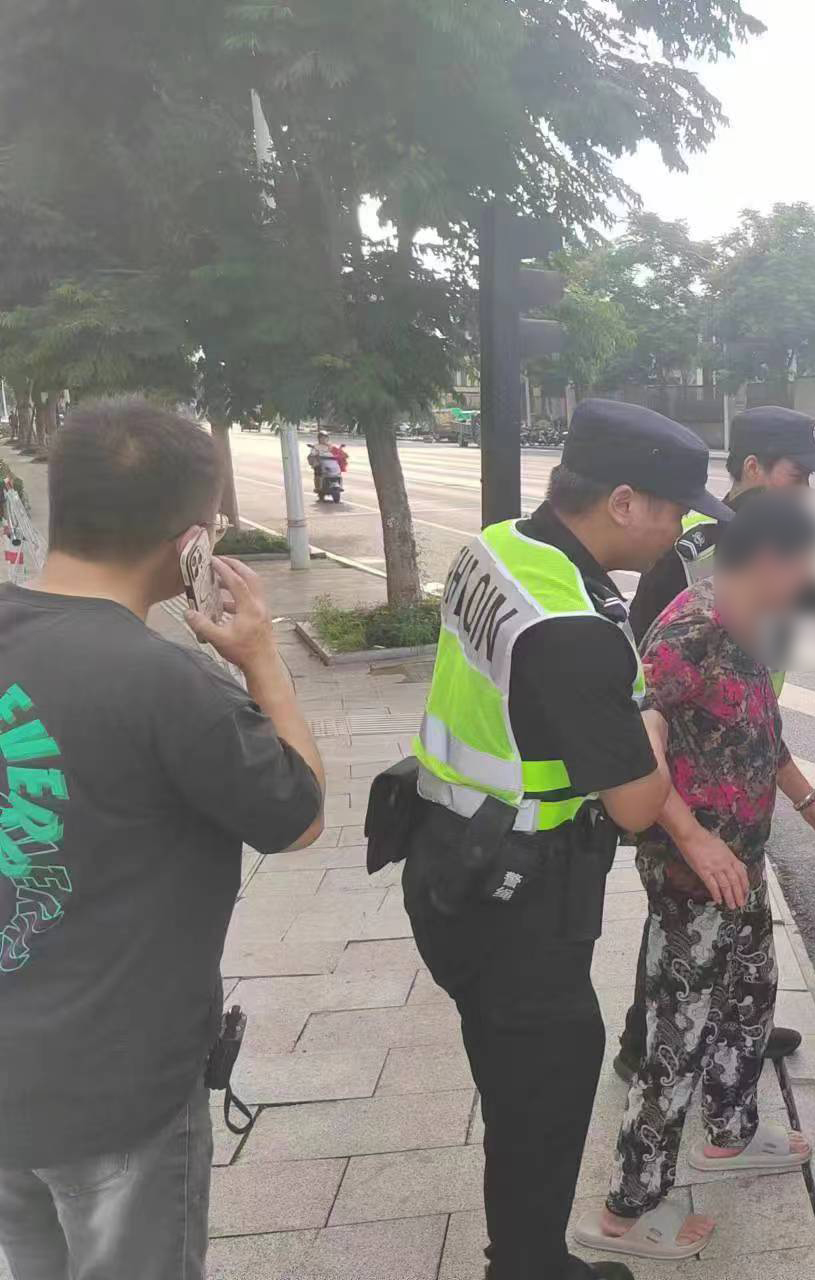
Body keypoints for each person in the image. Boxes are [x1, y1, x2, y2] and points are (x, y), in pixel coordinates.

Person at [402, 399, 733, 1280]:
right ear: (622, 502)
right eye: (674, 509)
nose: (680, 530)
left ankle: (521, 1253)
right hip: (518, 897)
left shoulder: (501, 547)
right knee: (546, 1087)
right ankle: (525, 1266)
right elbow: (636, 805)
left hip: (448, 857)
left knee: (515, 1083)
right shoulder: (574, 628)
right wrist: (648, 719)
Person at [0, 399, 326, 1280]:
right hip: (119, 1088)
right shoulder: (168, 682)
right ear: (190, 545)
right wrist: (261, 660)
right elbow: (298, 815)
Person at [575, 492, 815, 1263]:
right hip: (693, 874)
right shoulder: (686, 635)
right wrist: (694, 840)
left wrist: (810, 800)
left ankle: (729, 1133)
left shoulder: (750, 624)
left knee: (752, 994)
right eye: (803, 568)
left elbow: (761, 732)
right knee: (679, 1036)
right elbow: (631, 746)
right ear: (767, 561)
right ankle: (627, 1210)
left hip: (740, 864)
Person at [615, 405, 815, 1081]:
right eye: (797, 475)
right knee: (682, 916)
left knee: (734, 911)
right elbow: (640, 689)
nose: (805, 491)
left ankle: (734, 1025)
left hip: (747, 750)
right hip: (685, 781)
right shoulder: (689, 551)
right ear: (753, 467)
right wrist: (678, 820)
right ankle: (648, 1042)